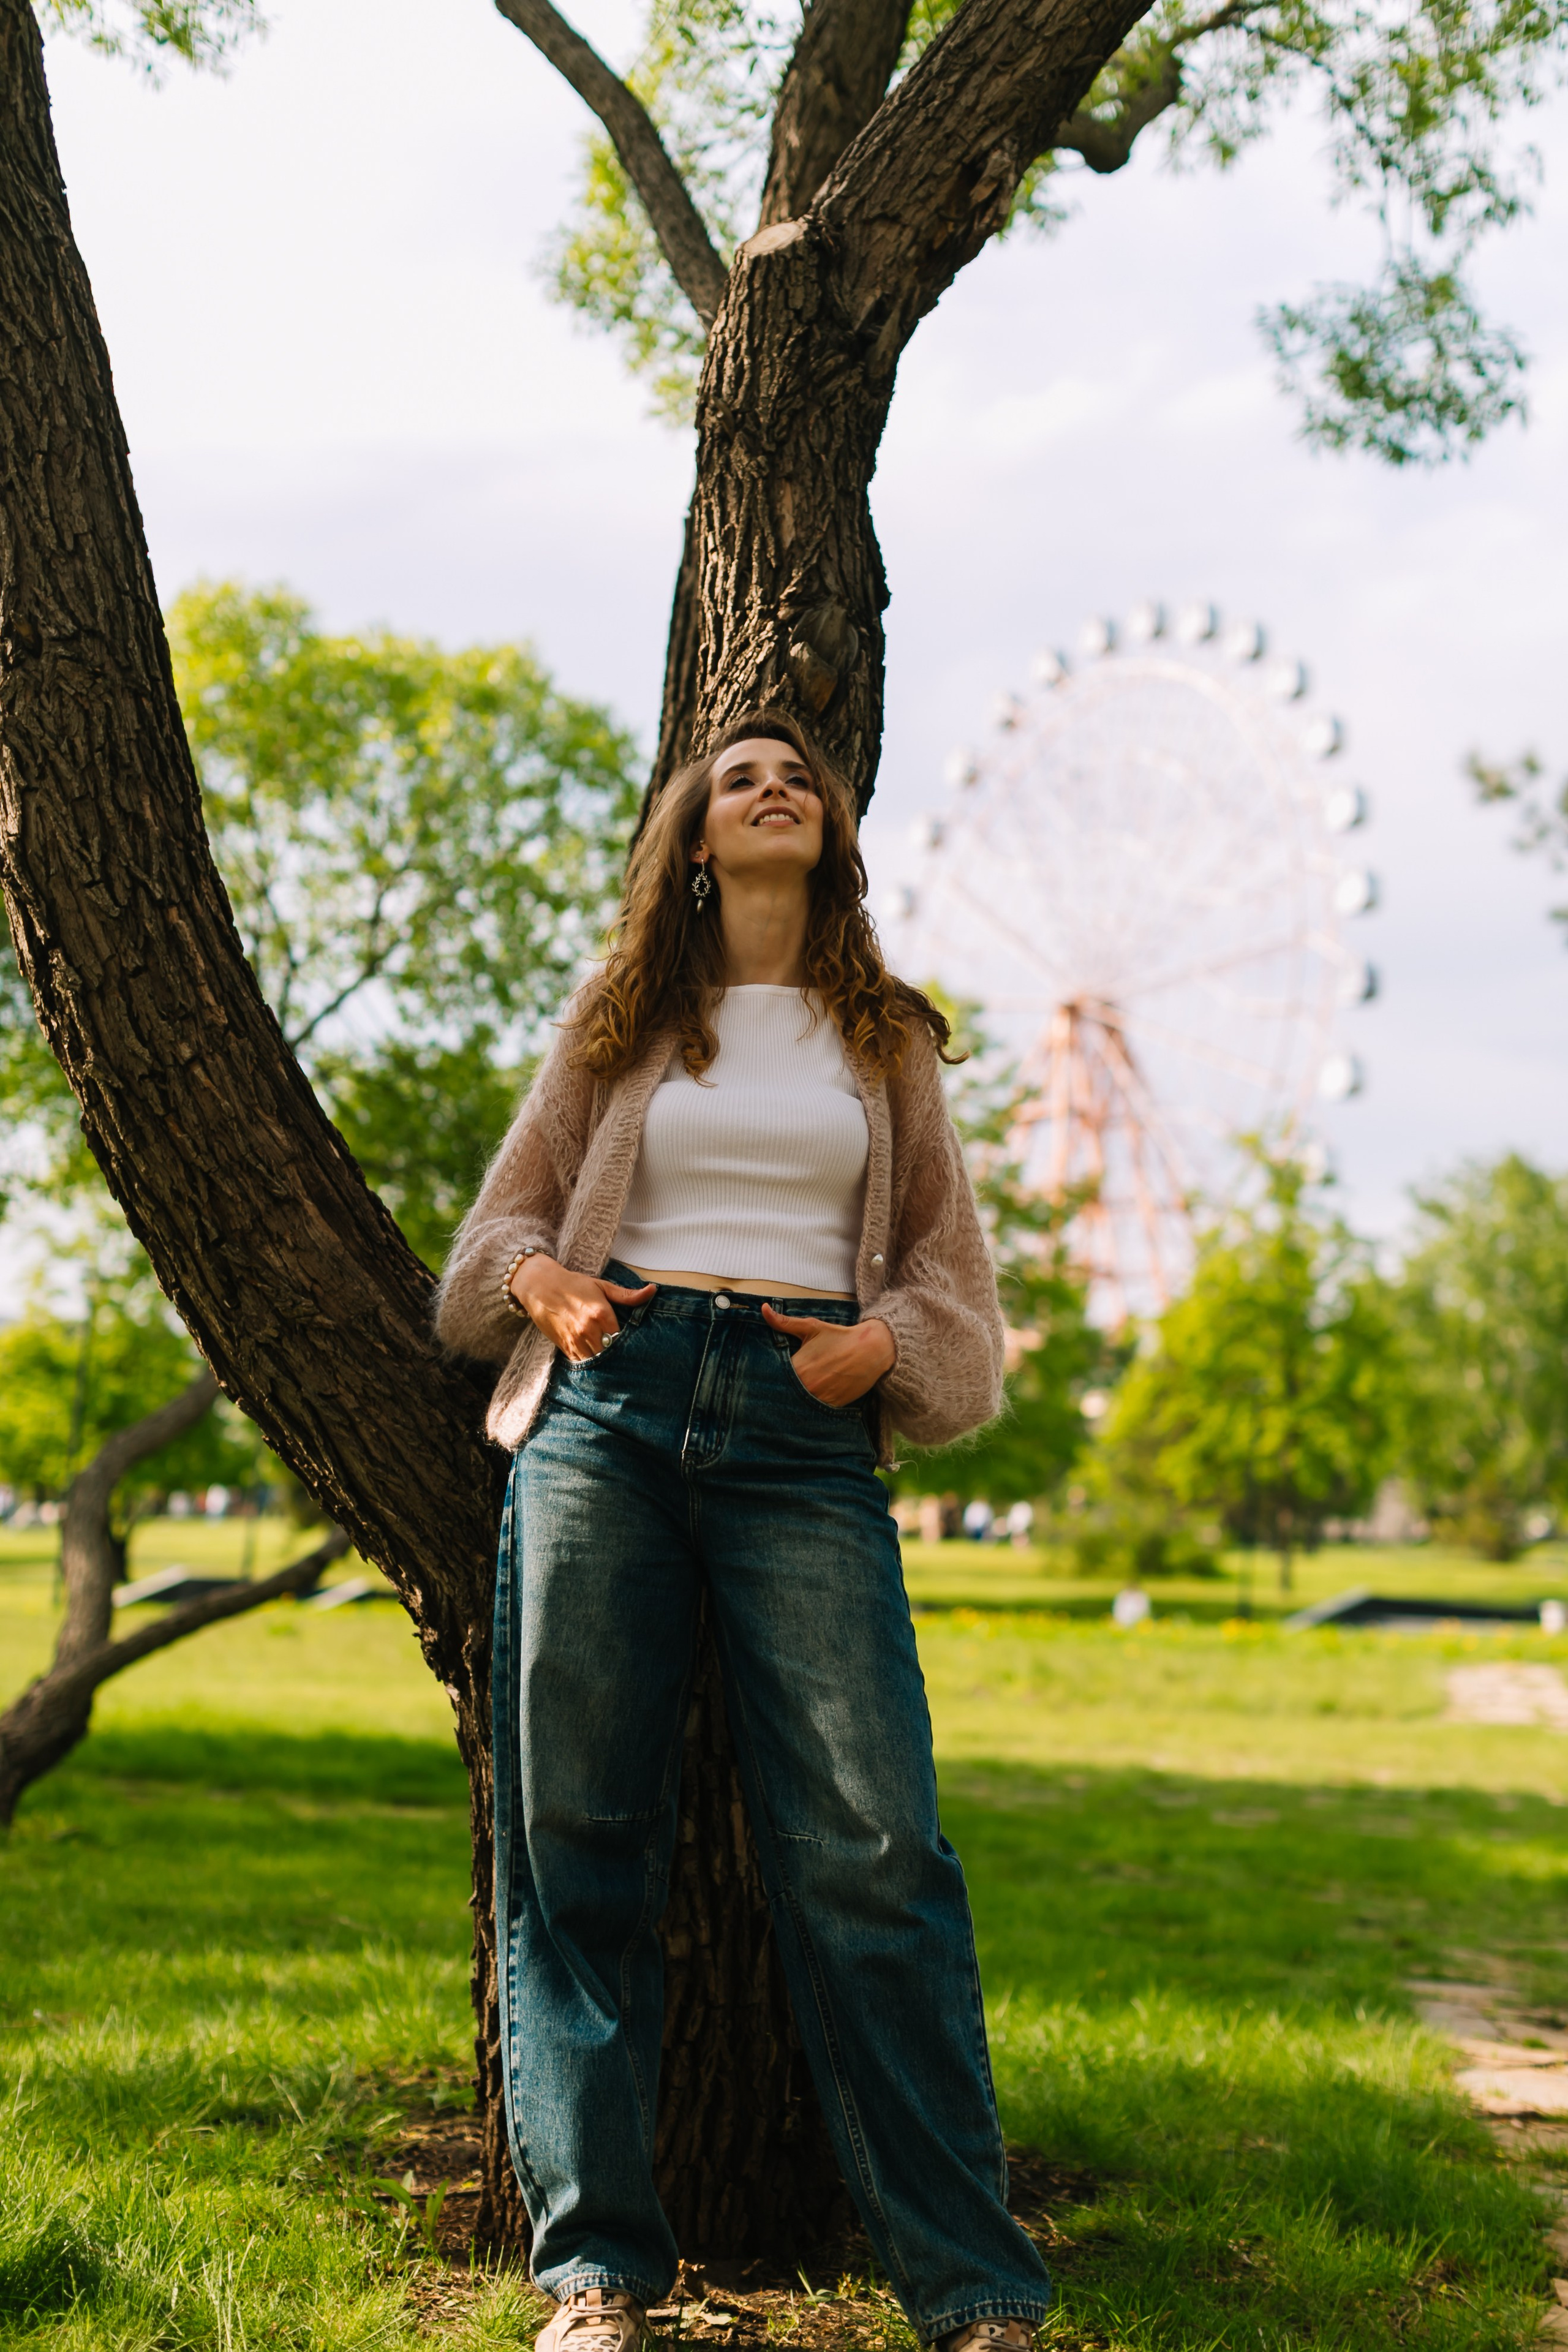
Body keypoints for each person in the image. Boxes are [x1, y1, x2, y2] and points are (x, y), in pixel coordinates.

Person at [435, 713, 1050, 2352]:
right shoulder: (624, 1021)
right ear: (697, 844)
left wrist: (879, 1350)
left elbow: (961, 1316)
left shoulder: (888, 1042)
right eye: (737, 781)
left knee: (874, 1855)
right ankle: (596, 2279)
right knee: (581, 1845)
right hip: (611, 1415)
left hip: (801, 1435)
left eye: (798, 776)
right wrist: (544, 1284)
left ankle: (975, 2293)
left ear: (830, 834)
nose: (774, 786)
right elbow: (490, 1239)